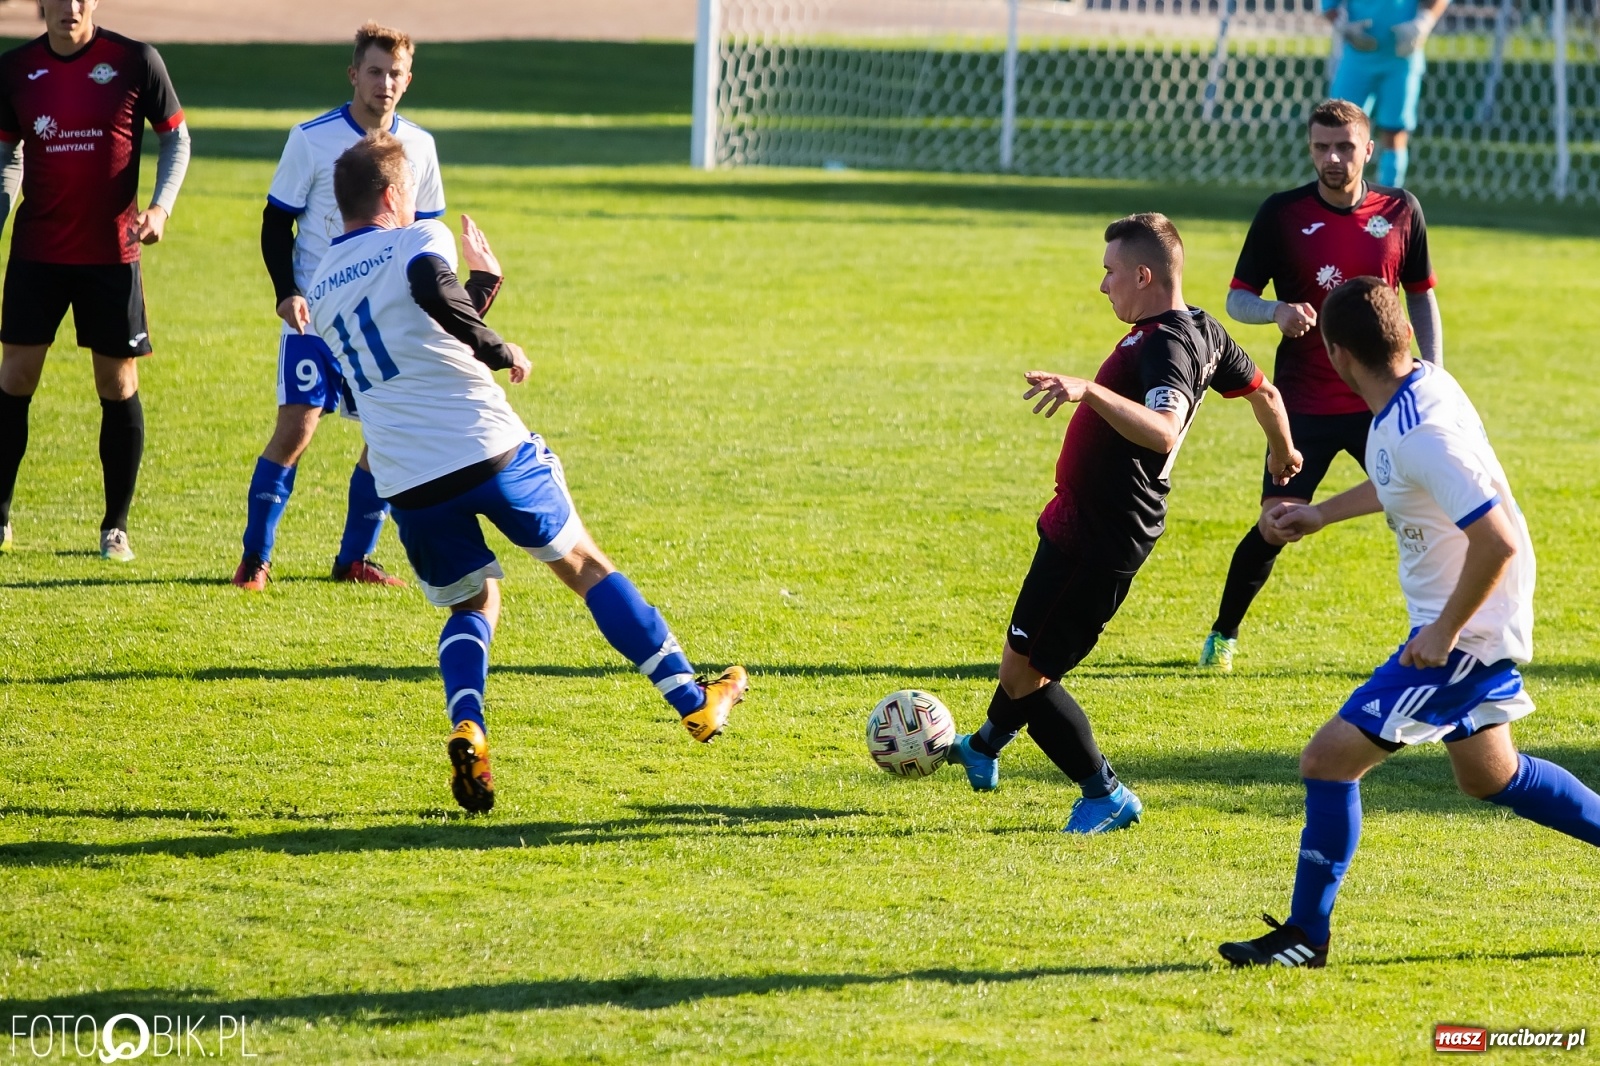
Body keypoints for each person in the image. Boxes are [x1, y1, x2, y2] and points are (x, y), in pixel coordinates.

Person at [307, 131, 748, 813]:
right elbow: (431, 293)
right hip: (486, 446)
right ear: (394, 196)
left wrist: (480, 290)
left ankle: (471, 728)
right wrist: (497, 345)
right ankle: (694, 703)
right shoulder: (418, 241)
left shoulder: (319, 284)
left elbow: (412, 333)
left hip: (407, 477)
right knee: (583, 565)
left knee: (472, 603)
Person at [1218, 276, 1600, 968]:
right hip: (1463, 626)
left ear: (1335, 354)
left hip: (1463, 637)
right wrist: (1320, 513)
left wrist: (1445, 632)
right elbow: (1398, 479)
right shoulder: (1416, 390)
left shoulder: (1423, 428)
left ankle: (1308, 935)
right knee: (1491, 776)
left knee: (1326, 762)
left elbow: (1498, 541)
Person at [942, 213, 1301, 833]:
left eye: (1110, 272)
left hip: (1101, 534)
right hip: (1081, 522)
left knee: (1025, 672)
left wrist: (1088, 389)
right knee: (1027, 654)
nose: (1102, 286)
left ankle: (1104, 794)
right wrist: (1282, 451)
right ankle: (984, 745)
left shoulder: (1167, 346)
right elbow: (1265, 395)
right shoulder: (1202, 330)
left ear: (1144, 273)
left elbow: (1163, 432)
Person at [1200, 98, 1440, 671]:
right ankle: (1223, 634)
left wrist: (1431, 372)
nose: (1332, 159)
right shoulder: (1282, 214)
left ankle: (1440, 635)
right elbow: (1236, 298)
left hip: (1384, 399)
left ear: (1368, 149)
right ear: (1309, 147)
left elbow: (1421, 293)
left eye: (1344, 147)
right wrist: (1275, 312)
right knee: (1277, 524)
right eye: (1320, 147)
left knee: (1433, 507)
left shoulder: (1400, 210)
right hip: (1304, 402)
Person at [232, 22, 445, 591]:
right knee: (296, 430)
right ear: (354, 74)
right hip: (316, 316)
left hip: (385, 320)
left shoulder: (420, 147)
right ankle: (255, 559)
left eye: (395, 72)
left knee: (384, 437)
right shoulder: (312, 139)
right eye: (374, 71)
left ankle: (354, 559)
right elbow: (277, 220)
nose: (385, 82)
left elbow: (425, 237)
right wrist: (286, 291)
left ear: (408, 78)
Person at [0, 0, 189, 561]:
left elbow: (176, 137)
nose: (71, 7)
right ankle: (0, 516)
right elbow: (8, 153)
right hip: (38, 251)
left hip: (112, 253)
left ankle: (115, 527)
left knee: (117, 384)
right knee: (15, 377)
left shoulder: (135, 61)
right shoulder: (15, 68)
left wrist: (161, 208)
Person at [1323, 0, 1448, 187]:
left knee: (1394, 131)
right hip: (1357, 58)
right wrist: (1344, 27)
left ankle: (1389, 200)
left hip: (1402, 58)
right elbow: (1328, 6)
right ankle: (1338, 195)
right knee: (1338, 128)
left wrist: (1423, 22)